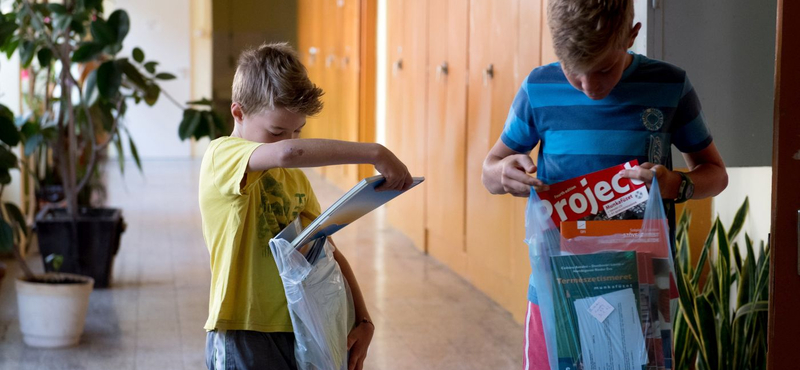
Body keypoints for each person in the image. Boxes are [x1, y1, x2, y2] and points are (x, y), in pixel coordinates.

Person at [480, 0, 728, 368]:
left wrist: (676, 185)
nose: (589, 86)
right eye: (573, 71)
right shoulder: (539, 87)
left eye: (604, 69)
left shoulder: (669, 85)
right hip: (555, 285)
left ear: (632, 35)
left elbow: (715, 174)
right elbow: (490, 170)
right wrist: (503, 174)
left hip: (640, 285)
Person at [199, 42, 413, 370]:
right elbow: (288, 153)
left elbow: (329, 249)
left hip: (301, 326)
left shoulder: (294, 181)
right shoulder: (222, 156)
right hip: (242, 331)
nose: (291, 140)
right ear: (238, 112)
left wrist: (364, 320)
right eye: (277, 132)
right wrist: (375, 152)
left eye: (298, 131)